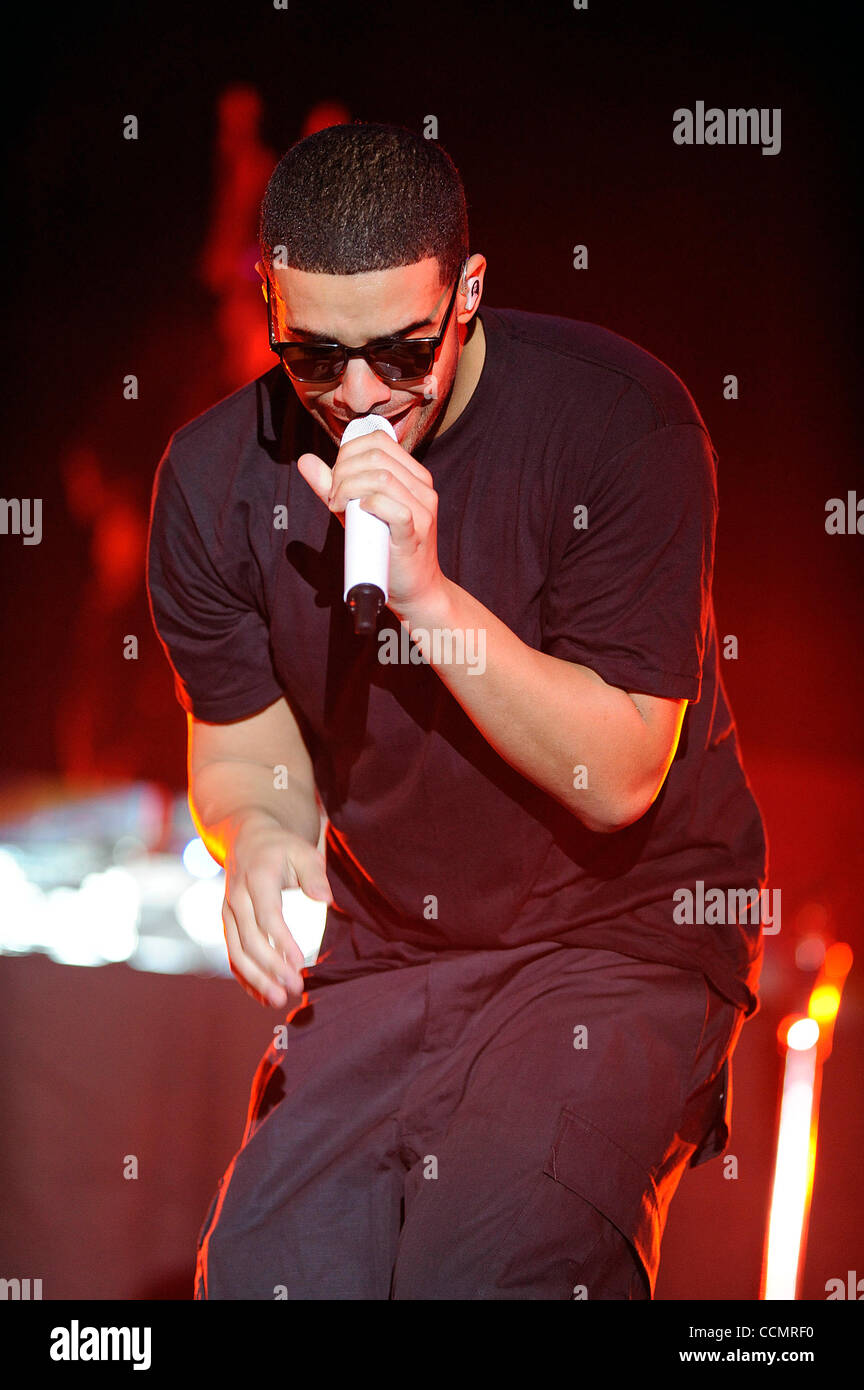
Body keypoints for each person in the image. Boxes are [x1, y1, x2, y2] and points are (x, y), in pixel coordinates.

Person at [146, 121, 768, 1301]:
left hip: (614, 934)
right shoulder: (213, 479)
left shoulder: (619, 425)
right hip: (391, 941)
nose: (360, 396)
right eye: (314, 358)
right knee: (266, 1271)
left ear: (468, 291)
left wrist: (426, 593)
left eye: (399, 350)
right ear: (271, 302)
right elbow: (246, 756)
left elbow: (621, 771)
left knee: (488, 1268)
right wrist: (265, 838)